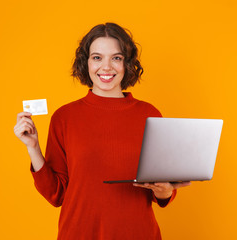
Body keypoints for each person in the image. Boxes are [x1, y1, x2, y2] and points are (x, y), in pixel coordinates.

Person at [14, 22, 191, 239]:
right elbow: (56, 195)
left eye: (116, 58)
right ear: (85, 63)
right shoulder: (64, 117)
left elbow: (163, 194)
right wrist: (33, 147)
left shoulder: (149, 114)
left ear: (127, 64)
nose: (106, 67)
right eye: (97, 57)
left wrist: (165, 190)